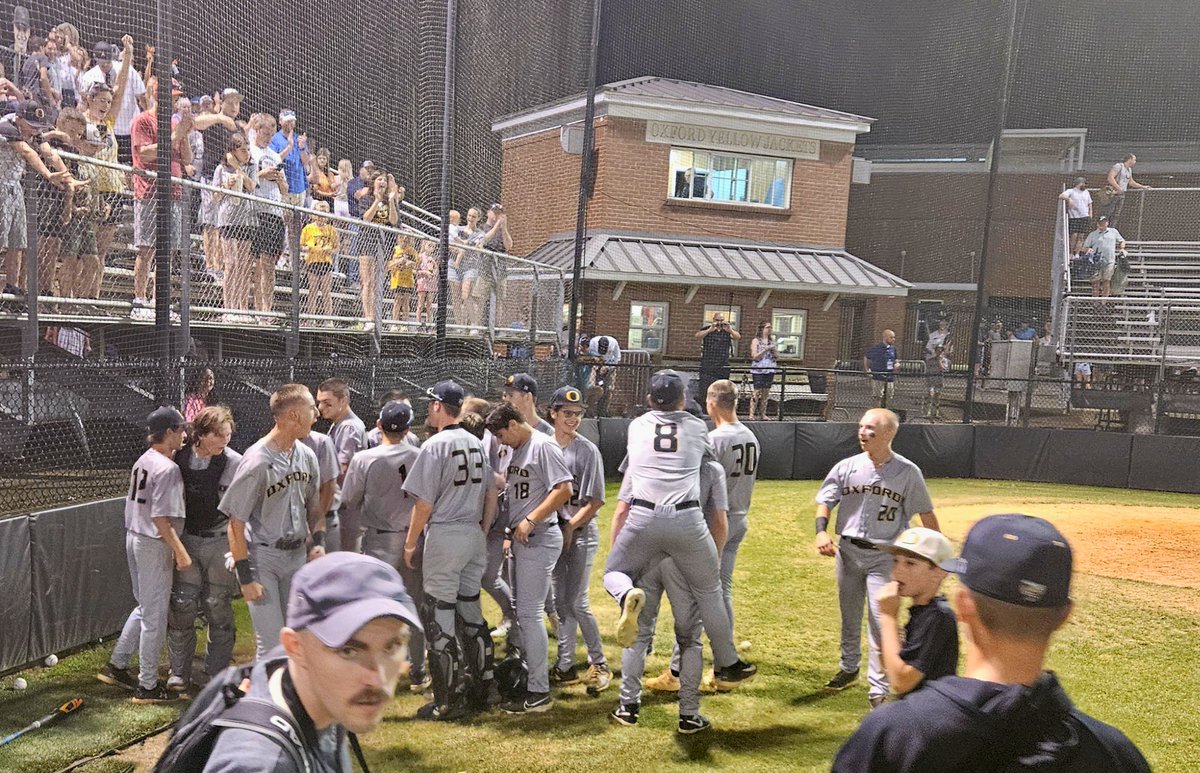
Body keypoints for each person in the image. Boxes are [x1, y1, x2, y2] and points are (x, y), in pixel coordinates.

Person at [834, 514, 1150, 772]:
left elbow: (902, 680)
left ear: (964, 606)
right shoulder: (1115, 754)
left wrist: (887, 620)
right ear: (1064, 616)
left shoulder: (892, 738)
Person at [200, 552, 423, 772]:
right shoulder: (260, 765)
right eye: (348, 651)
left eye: (391, 646)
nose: (377, 678)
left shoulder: (309, 689)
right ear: (295, 647)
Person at [602, 370, 757, 688]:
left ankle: (626, 598)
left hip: (643, 517)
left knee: (622, 579)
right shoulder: (700, 428)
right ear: (683, 400)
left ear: (648, 401)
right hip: (692, 519)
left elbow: (623, 502)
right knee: (710, 592)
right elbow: (709, 472)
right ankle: (726, 663)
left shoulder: (637, 426)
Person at [815, 408, 940, 708]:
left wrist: (936, 554)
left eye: (870, 428)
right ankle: (848, 668)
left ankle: (879, 687)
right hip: (848, 551)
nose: (862, 432)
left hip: (885, 556)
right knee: (849, 614)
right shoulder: (847, 466)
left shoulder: (908, 472)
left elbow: (926, 513)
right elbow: (825, 500)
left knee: (879, 616)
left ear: (888, 433)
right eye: (860, 427)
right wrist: (821, 532)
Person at [646, 378, 760, 693]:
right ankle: (725, 668)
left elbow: (699, 489)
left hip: (714, 525)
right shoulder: (750, 436)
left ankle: (677, 671)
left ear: (711, 403)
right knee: (720, 593)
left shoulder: (714, 439)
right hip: (739, 519)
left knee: (695, 599)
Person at [401, 380, 499, 720]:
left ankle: (447, 701)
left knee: (439, 617)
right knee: (471, 614)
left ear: (439, 406)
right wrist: (483, 529)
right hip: (472, 533)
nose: (429, 409)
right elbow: (491, 493)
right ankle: (485, 688)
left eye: (431, 403)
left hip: (445, 535)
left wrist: (411, 542)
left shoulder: (435, 445)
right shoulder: (475, 442)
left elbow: (423, 504)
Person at [613, 456, 727, 734]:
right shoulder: (710, 468)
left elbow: (621, 512)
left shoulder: (643, 459)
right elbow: (719, 522)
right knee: (689, 638)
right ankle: (688, 714)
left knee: (638, 633)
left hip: (647, 550)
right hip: (687, 554)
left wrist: (619, 565)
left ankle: (628, 707)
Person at [219, 384, 324, 660]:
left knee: (296, 636)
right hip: (263, 558)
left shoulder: (307, 455)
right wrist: (246, 578)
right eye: (311, 407)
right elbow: (235, 523)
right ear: (293, 415)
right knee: (273, 645)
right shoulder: (256, 461)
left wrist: (319, 543)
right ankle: (267, 700)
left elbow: (314, 506)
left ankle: (280, 694)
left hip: (297, 556)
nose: (317, 413)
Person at [484, 402, 573, 713]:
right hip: (521, 539)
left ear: (513, 424)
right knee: (524, 615)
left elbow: (564, 490)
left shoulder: (543, 445)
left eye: (500, 433)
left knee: (532, 614)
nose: (499, 441)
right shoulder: (516, 450)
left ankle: (539, 691)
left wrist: (532, 518)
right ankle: (528, 676)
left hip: (540, 536)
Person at [97, 406, 188, 703]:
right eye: (181, 429)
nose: (184, 435)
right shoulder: (168, 469)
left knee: (145, 607)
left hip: (134, 537)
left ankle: (117, 665)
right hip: (153, 542)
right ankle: (148, 686)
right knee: (155, 617)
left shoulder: (144, 459)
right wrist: (180, 551)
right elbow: (162, 519)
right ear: (170, 432)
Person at [341, 400, 428, 693]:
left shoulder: (364, 459)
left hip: (379, 540)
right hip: (413, 539)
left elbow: (350, 500)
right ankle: (418, 672)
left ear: (379, 426)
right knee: (413, 605)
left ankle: (375, 671)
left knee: (377, 609)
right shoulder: (421, 455)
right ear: (407, 429)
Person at [166, 406, 242, 693]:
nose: (225, 440)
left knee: (217, 605)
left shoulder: (234, 462)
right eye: (220, 435)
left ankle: (215, 674)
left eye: (227, 434)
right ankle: (179, 673)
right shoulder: (180, 458)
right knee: (182, 605)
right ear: (201, 435)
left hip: (219, 539)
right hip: (188, 537)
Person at [546, 387, 610, 694]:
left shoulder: (586, 450)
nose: (573, 419)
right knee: (561, 603)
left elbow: (596, 500)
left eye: (577, 414)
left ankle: (599, 661)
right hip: (553, 532)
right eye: (567, 413)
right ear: (553, 413)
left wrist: (570, 527)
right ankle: (566, 665)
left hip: (580, 532)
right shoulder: (544, 445)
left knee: (577, 601)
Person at [129, 88, 192, 320]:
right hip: (150, 192)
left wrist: (183, 134)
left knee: (167, 253)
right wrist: (175, 137)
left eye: (176, 98)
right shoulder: (143, 120)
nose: (174, 102)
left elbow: (188, 159)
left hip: (173, 193)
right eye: (171, 97)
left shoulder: (175, 125)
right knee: (146, 248)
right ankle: (139, 300)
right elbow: (144, 154)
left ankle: (159, 301)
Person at [1, 101, 73, 302]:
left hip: (14, 186)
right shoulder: (6, 125)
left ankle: (11, 288)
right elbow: (27, 151)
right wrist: (48, 174)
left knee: (18, 241)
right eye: (31, 125)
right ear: (19, 118)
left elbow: (49, 153)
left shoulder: (33, 132)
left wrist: (68, 178)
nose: (35, 130)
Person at [875, 527, 957, 701]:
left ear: (939, 573)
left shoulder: (937, 616)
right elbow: (887, 666)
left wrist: (887, 617)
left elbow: (900, 682)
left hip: (930, 717)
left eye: (910, 563)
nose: (897, 571)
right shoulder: (921, 612)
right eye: (896, 561)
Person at [316, 377, 367, 551]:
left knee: (345, 558)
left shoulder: (349, 426)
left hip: (347, 507)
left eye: (327, 403)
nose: (321, 408)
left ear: (343, 401)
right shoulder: (339, 424)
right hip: (343, 504)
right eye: (320, 402)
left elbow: (342, 467)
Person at [213, 133, 257, 320]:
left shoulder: (251, 167)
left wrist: (239, 169)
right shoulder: (221, 169)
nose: (246, 153)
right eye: (242, 150)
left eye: (248, 149)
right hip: (229, 220)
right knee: (231, 264)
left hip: (246, 220)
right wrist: (225, 185)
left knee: (244, 266)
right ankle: (228, 307)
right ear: (232, 151)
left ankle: (241, 308)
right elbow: (215, 197)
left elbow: (252, 185)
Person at [248, 114, 287, 319]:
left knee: (269, 265)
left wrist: (279, 178)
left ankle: (267, 310)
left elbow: (286, 189)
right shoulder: (250, 151)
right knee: (256, 263)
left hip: (275, 212)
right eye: (265, 132)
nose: (268, 136)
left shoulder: (276, 155)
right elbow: (246, 177)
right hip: (256, 210)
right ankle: (256, 308)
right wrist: (263, 174)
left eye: (271, 133)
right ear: (257, 130)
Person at [356, 172, 400, 330]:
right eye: (379, 179)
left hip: (384, 244)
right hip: (368, 241)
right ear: (373, 182)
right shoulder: (366, 198)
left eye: (385, 180)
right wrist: (377, 200)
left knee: (376, 283)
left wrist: (392, 200)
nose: (382, 182)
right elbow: (366, 218)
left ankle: (375, 317)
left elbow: (394, 221)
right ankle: (368, 317)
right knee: (367, 281)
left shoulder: (390, 201)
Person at [301, 200, 339, 321]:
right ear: (313, 214)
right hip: (313, 261)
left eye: (324, 212)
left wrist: (329, 250)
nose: (321, 215)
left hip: (326, 262)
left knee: (326, 291)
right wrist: (310, 248)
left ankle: (328, 319)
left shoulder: (332, 230)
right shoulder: (308, 228)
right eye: (319, 212)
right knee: (312, 290)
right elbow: (302, 245)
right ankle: (311, 317)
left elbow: (337, 248)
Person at [695, 312, 739, 410]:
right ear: (713, 320)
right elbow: (697, 336)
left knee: (723, 389)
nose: (719, 323)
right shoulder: (707, 329)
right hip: (708, 363)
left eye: (721, 320)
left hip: (722, 364)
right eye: (717, 320)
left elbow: (737, 337)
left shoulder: (727, 331)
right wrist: (710, 330)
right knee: (705, 388)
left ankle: (720, 408)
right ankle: (705, 409)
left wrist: (730, 330)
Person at [1083, 215, 1126, 299]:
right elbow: (1084, 247)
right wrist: (1088, 249)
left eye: (1104, 222)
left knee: (1106, 281)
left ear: (1107, 223)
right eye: (1100, 222)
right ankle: (1095, 303)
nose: (1102, 224)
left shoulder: (1113, 232)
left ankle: (1103, 302)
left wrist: (1122, 249)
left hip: (1109, 261)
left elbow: (1122, 240)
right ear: (1097, 224)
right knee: (1095, 283)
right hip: (1096, 261)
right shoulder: (1093, 234)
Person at [1104, 153, 1150, 227]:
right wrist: (1118, 187)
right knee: (1108, 212)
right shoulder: (1119, 166)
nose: (1135, 162)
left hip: (1121, 194)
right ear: (1130, 159)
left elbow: (1131, 182)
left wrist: (1143, 186)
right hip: (1113, 193)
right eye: (1134, 160)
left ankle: (1111, 230)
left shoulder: (1129, 170)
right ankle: (1103, 228)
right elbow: (1110, 177)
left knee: (1116, 214)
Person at [748, 321, 777, 420]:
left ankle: (763, 414)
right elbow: (754, 356)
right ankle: (751, 414)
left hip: (769, 368)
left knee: (766, 392)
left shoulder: (771, 341)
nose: (769, 329)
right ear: (762, 329)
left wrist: (774, 350)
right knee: (757, 391)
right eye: (767, 327)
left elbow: (776, 357)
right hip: (759, 369)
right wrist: (765, 350)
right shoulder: (756, 341)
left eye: (770, 327)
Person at [863, 329, 898, 408]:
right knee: (878, 396)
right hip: (878, 376)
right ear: (885, 337)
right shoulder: (877, 348)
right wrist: (867, 369)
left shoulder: (893, 349)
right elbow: (866, 356)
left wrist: (897, 364)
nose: (893, 339)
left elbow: (896, 359)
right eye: (891, 337)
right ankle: (876, 413)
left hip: (890, 377)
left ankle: (885, 413)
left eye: (894, 337)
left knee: (889, 396)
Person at [1059, 176, 1093, 255]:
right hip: (1075, 217)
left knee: (1081, 236)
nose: (1084, 185)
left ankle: (1077, 253)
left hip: (1084, 216)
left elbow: (1090, 204)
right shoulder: (1071, 191)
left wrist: (1090, 214)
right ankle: (1071, 252)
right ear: (1079, 183)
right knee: (1074, 235)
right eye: (1083, 183)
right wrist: (1069, 199)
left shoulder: (1086, 192)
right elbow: (1061, 196)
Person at [387, 234, 416, 324]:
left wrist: (410, 263)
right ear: (399, 240)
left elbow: (417, 264)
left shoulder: (412, 251)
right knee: (397, 301)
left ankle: (404, 323)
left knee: (406, 302)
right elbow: (388, 265)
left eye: (407, 242)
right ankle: (395, 323)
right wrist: (398, 261)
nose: (405, 244)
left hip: (408, 280)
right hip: (397, 279)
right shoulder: (395, 250)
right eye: (403, 241)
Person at [414, 238, 437, 326]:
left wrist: (433, 270)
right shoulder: (420, 256)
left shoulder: (433, 258)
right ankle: (418, 323)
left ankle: (429, 323)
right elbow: (416, 271)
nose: (431, 248)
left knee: (429, 305)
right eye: (429, 245)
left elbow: (436, 270)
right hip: (422, 282)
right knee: (420, 304)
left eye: (433, 246)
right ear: (425, 245)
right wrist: (424, 272)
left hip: (431, 283)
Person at [924, 345, 949, 420]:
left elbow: (943, 369)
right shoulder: (930, 360)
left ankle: (936, 412)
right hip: (931, 380)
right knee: (930, 394)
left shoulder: (944, 360)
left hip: (939, 380)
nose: (939, 352)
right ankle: (927, 412)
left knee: (937, 397)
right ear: (935, 351)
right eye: (938, 350)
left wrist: (939, 360)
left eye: (941, 350)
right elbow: (928, 370)